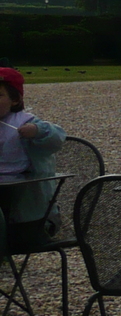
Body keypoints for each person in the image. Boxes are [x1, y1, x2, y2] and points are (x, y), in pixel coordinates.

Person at [0, 66, 67, 233]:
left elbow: (57, 139)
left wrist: (37, 131)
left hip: (32, 218)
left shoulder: (25, 122)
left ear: (14, 100)